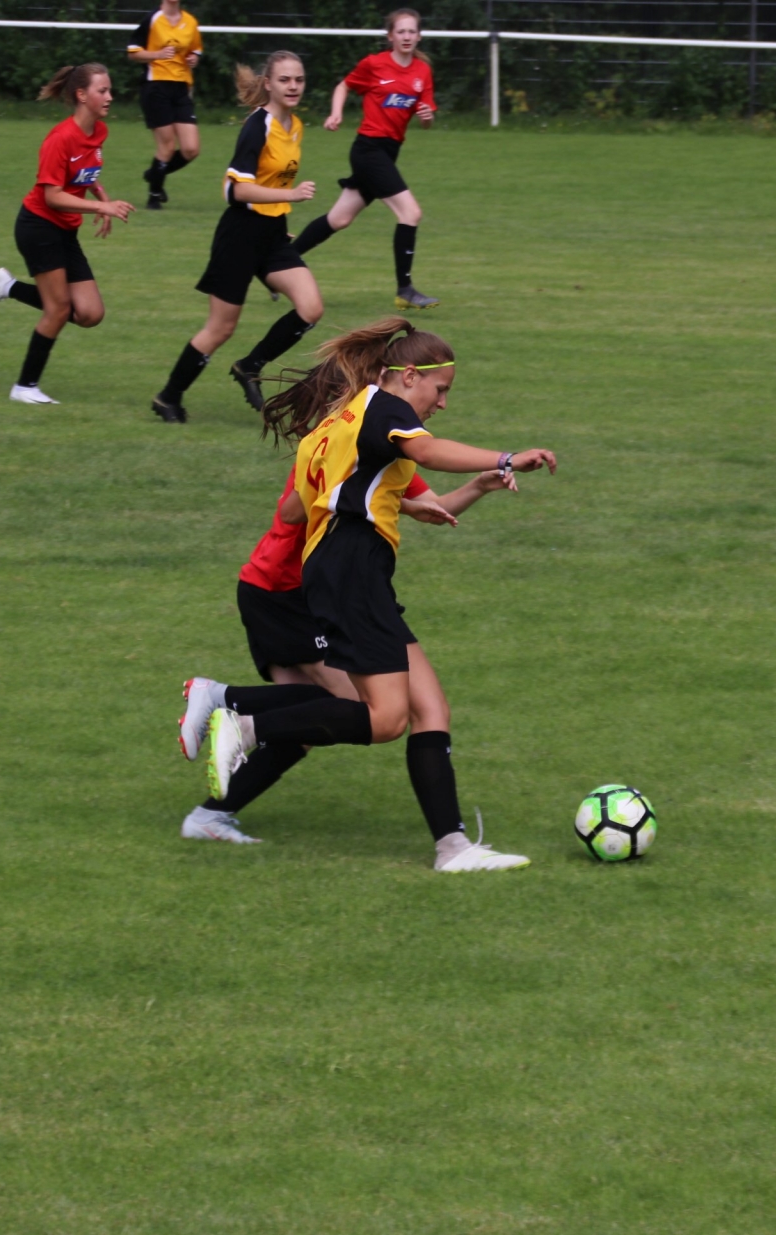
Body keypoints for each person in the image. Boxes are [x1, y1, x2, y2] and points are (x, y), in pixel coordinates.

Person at [176, 318, 558, 872]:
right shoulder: (385, 410)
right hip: (346, 570)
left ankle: (453, 849)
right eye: (441, 389)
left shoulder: (343, 424)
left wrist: (429, 493)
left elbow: (305, 505)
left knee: (430, 708)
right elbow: (427, 453)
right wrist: (503, 457)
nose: (443, 403)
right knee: (383, 719)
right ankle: (243, 722)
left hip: (352, 571)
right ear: (409, 375)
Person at [177, 466, 515, 844]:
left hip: (330, 590)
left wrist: (479, 484)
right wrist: (390, 501)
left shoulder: (392, 449)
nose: (440, 406)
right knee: (357, 707)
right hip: (290, 591)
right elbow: (292, 510)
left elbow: (434, 505)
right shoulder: (346, 442)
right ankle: (223, 701)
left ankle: (210, 814)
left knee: (309, 720)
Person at [152, 53, 323, 424]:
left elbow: (270, 181)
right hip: (240, 236)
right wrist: (291, 196)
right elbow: (235, 191)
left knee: (311, 308)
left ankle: (250, 366)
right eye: (285, 80)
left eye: (298, 79)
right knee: (221, 328)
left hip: (272, 234)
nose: (293, 86)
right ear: (269, 84)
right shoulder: (257, 126)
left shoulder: (295, 126)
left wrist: (278, 218)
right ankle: (169, 397)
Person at [0, 64, 135, 405]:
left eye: (109, 90)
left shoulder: (99, 131)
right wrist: (102, 207)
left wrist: (101, 195)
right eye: (103, 91)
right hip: (38, 226)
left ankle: (8, 287)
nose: (110, 96)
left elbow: (83, 172)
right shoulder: (59, 138)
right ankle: (24, 387)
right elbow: (52, 196)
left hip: (65, 230)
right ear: (82, 95)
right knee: (59, 309)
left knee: (90, 314)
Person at [289, 9, 439, 310]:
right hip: (368, 150)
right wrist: (336, 113)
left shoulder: (422, 72)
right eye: (401, 31)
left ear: (419, 36)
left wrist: (426, 116)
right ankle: (405, 290)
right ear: (390, 36)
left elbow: (426, 120)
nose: (407, 36)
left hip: (388, 153)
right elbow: (344, 86)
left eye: (412, 31)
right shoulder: (374, 64)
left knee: (339, 219)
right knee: (411, 213)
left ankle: (278, 261)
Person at [126, 0, 203, 210]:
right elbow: (132, 52)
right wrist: (157, 55)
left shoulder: (190, 21)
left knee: (191, 149)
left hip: (181, 88)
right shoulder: (152, 19)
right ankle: (154, 196)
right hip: (156, 87)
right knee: (167, 147)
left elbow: (196, 49)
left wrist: (194, 58)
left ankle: (154, 173)